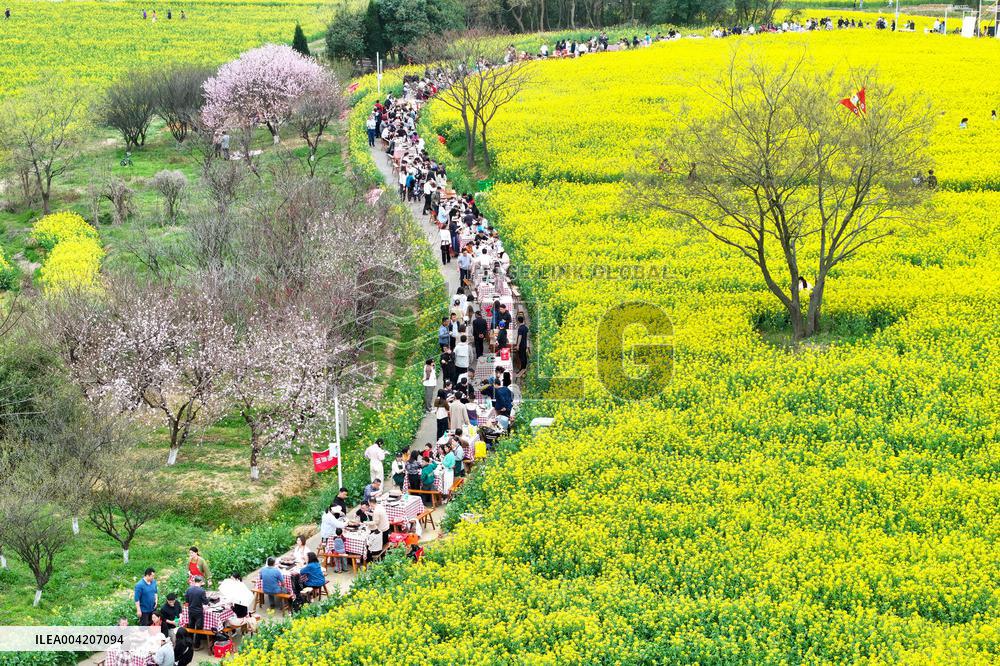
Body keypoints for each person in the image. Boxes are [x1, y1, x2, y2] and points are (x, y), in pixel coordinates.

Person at [184, 575, 208, 647]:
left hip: (191, 611)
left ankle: (189, 643)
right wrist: (208, 599)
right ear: (200, 582)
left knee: (191, 627)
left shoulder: (189, 589)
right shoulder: (202, 591)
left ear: (194, 581)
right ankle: (197, 645)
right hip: (198, 612)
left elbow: (187, 601)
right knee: (199, 628)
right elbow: (205, 602)